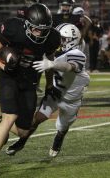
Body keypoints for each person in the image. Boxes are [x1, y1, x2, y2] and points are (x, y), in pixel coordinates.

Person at [0, 3, 60, 175]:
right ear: (27, 24)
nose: (40, 33)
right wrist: (4, 68)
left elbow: (50, 60)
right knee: (11, 116)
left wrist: (48, 83)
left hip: (30, 82)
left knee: (24, 131)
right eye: (36, 29)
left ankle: (4, 122)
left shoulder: (52, 37)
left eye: (43, 29)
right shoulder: (14, 28)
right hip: (9, 77)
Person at [5, 23, 90, 158]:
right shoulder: (54, 52)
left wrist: (53, 63)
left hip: (72, 100)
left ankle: (59, 138)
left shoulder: (77, 53)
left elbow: (70, 66)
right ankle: (21, 141)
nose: (58, 42)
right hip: (55, 94)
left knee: (62, 128)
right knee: (36, 119)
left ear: (71, 40)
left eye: (62, 39)